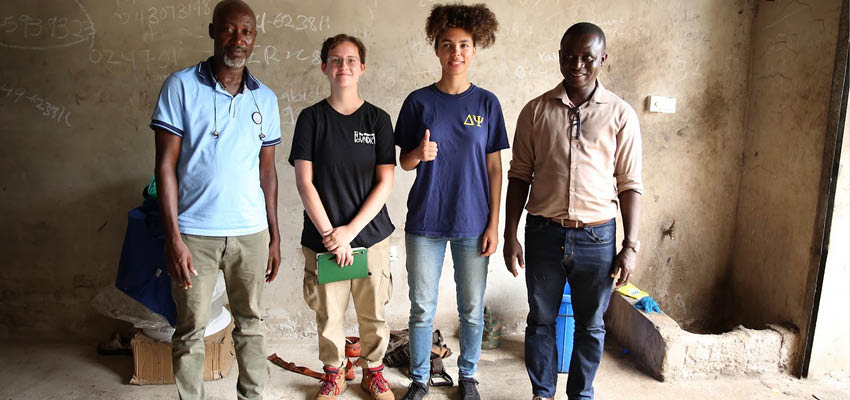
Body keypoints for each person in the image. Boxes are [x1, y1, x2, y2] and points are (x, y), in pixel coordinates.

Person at [503, 22, 643, 400]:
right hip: (544, 233)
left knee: (592, 325)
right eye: (569, 56)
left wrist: (630, 245)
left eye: (587, 57)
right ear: (560, 56)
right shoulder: (535, 111)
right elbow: (518, 176)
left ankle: (581, 394)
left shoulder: (620, 114)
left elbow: (630, 183)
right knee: (541, 321)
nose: (577, 64)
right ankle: (542, 393)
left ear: (603, 59)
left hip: (598, 237)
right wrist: (509, 234)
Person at [151, 1, 281, 399]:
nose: (237, 40)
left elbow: (268, 173)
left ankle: (253, 396)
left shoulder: (265, 99)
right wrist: (174, 238)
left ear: (254, 38)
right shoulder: (181, 86)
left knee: (251, 325)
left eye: (246, 32)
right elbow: (165, 167)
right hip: (195, 235)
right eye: (229, 30)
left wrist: (274, 235)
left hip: (251, 235)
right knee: (190, 329)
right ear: (213, 31)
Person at [395, 4, 508, 400]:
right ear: (437, 49)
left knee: (472, 310)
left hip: (474, 222)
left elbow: (496, 169)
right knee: (422, 308)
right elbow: (403, 161)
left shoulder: (488, 104)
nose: (455, 52)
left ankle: (469, 376)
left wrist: (494, 224)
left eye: (463, 44)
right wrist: (418, 154)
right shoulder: (418, 102)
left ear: (475, 48)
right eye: (447, 44)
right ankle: (420, 379)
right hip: (425, 219)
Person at [289, 34, 396, 400]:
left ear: (362, 68)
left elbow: (385, 182)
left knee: (373, 314)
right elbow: (304, 182)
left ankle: (374, 373)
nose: (343, 66)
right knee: (329, 316)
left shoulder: (379, 119)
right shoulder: (311, 119)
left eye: (351, 60)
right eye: (335, 60)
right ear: (324, 67)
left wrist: (349, 231)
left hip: (371, 237)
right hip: (324, 241)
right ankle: (334, 375)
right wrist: (330, 235)